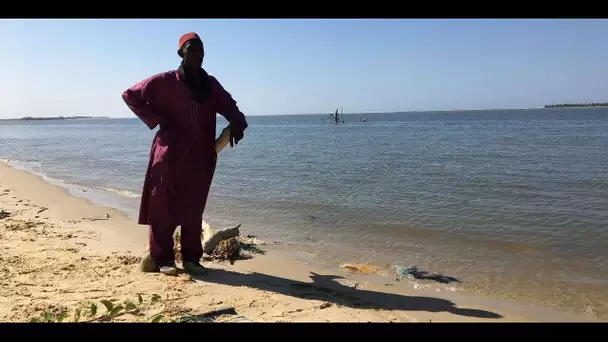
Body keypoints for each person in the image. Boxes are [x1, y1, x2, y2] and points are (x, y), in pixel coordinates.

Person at [121, 32, 248, 276]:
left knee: (193, 207)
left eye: (201, 50)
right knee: (163, 207)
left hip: (200, 156)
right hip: (168, 154)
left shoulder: (210, 85)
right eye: (192, 49)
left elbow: (230, 106)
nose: (198, 54)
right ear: (181, 53)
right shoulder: (165, 81)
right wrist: (157, 119)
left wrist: (238, 122)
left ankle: (191, 259)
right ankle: (162, 259)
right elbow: (131, 95)